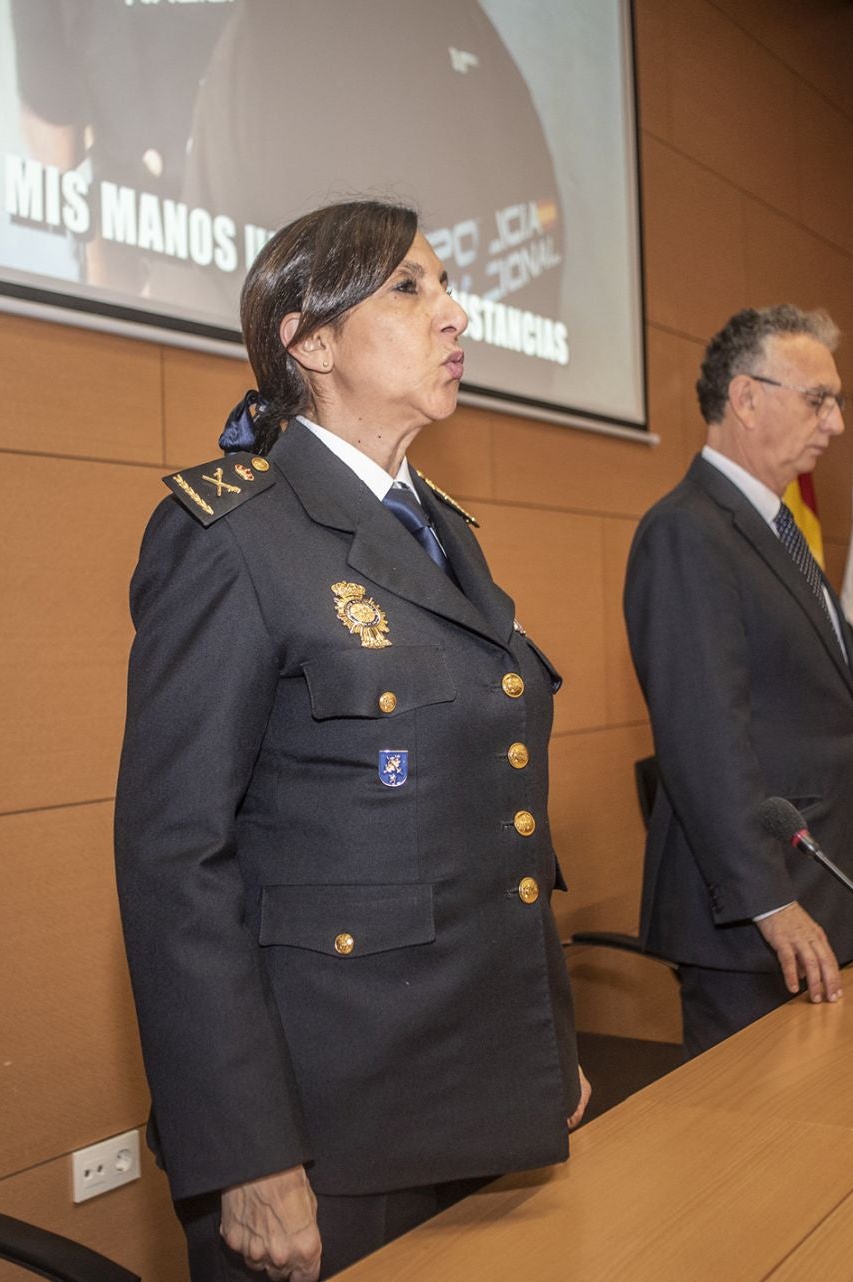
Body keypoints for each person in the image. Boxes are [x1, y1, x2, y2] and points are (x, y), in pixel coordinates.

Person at [114, 199, 588, 1282]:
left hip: (474, 1099)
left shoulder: (442, 530)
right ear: (309, 340)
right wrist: (249, 1156)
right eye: (412, 288)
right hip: (327, 1136)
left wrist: (544, 1048)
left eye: (449, 286)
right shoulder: (234, 538)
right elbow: (175, 861)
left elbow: (503, 825)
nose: (457, 313)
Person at [624, 305, 853, 1058]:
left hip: (821, 885)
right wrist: (771, 899)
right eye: (817, 400)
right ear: (746, 398)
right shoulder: (688, 531)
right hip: (753, 921)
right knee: (764, 1156)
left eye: (837, 403)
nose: (833, 423)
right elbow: (706, 743)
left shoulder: (774, 527)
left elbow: (809, 723)